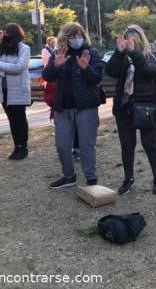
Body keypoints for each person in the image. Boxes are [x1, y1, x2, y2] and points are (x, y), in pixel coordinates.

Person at [43, 22, 104, 189]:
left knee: (86, 144)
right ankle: (68, 176)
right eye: (72, 36)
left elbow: (97, 78)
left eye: (79, 35)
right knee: (62, 144)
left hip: (86, 106)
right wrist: (56, 65)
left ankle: (90, 176)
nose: (77, 38)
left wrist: (86, 68)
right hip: (63, 107)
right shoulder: (59, 53)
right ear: (65, 37)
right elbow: (47, 76)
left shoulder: (91, 53)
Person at [105, 25, 156, 195]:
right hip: (125, 108)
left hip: (145, 107)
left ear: (139, 39)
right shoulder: (122, 58)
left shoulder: (149, 57)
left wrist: (133, 52)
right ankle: (128, 179)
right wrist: (119, 52)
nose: (130, 42)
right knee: (127, 145)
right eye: (127, 39)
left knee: (149, 144)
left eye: (132, 39)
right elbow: (110, 71)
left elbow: (147, 71)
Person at [0, 23, 31, 160]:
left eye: (7, 32)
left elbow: (19, 67)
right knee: (11, 119)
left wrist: (2, 66)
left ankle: (22, 147)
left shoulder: (24, 48)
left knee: (20, 119)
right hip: (4, 89)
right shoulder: (3, 48)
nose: (4, 35)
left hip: (18, 89)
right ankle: (16, 146)